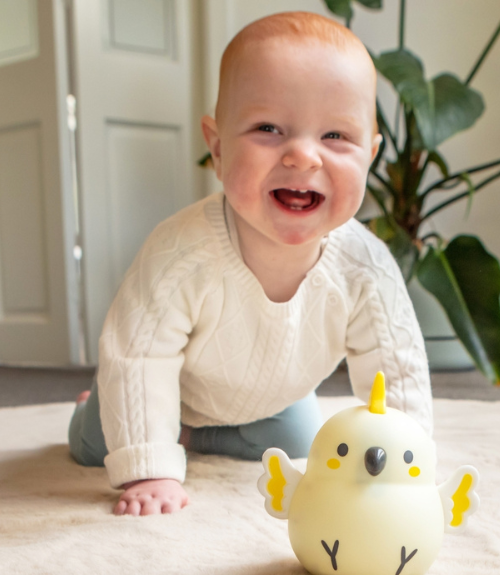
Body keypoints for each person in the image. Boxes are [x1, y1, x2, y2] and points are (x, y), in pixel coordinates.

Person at [68, 11, 433, 517]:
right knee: (99, 443)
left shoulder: (364, 266)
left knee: (300, 440)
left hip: (273, 398)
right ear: (218, 147)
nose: (303, 156)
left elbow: (397, 366)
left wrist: (406, 462)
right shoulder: (181, 253)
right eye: (268, 128)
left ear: (369, 155)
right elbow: (139, 354)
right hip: (170, 383)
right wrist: (150, 469)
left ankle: (192, 432)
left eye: (335, 136)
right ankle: (99, 409)